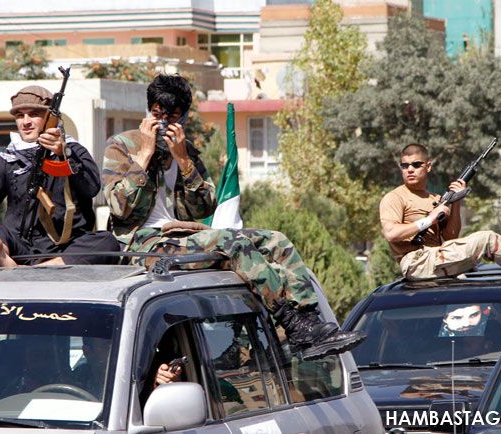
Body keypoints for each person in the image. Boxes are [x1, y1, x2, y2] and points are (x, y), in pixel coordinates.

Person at [102, 74, 365, 361]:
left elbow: (203, 207)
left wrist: (184, 162)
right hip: (143, 244)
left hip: (181, 236)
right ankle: (292, 325)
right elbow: (119, 208)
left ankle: (310, 323)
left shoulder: (185, 151)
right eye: (157, 115)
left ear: (185, 117)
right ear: (148, 112)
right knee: (235, 244)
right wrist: (144, 154)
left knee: (277, 241)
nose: (163, 123)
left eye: (172, 117)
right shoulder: (121, 146)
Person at [0, 85, 119, 268]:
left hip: (67, 250)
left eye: (34, 114)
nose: (25, 122)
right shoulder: (9, 158)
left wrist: (63, 155)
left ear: (50, 118)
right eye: (20, 115)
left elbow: (92, 188)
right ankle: (2, 258)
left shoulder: (72, 150)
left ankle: (40, 269)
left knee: (106, 242)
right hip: (19, 248)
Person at [379, 143, 501, 280]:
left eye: (416, 164)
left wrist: (456, 202)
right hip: (416, 263)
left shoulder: (434, 199)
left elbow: (451, 238)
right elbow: (391, 233)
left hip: (436, 259)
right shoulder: (395, 197)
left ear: (427, 166)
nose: (410, 169)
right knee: (487, 239)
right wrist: (428, 220)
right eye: (405, 166)